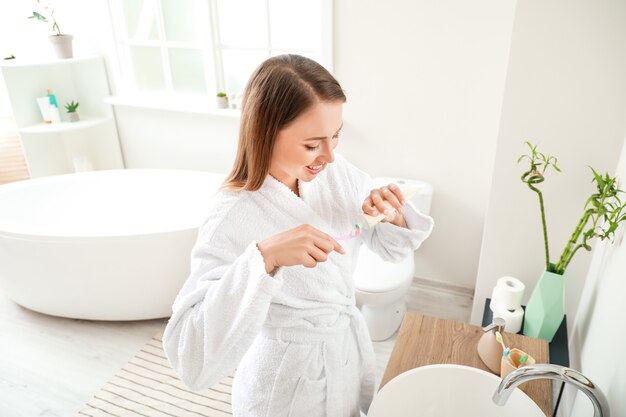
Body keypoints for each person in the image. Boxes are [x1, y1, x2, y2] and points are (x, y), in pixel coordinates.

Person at [163, 54, 434, 417]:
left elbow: (390, 251)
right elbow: (190, 353)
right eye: (312, 144)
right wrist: (263, 257)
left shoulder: (335, 174)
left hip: (343, 355)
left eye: (335, 137)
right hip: (285, 385)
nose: (329, 156)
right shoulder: (231, 214)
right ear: (264, 133)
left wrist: (391, 215)